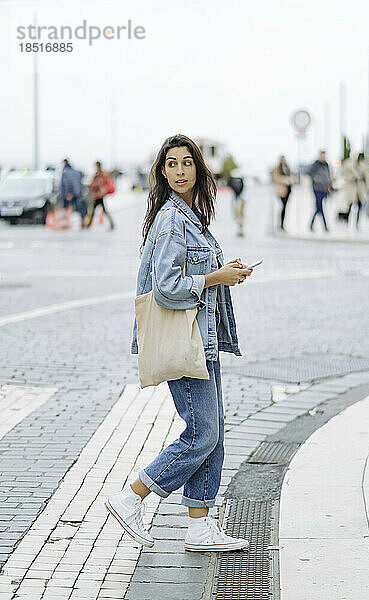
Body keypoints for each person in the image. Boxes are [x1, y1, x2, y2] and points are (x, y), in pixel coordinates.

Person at [105, 134, 253, 552]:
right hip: (184, 341)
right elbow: (167, 287)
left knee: (214, 433)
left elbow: (190, 272)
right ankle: (132, 496)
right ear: (162, 171)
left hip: (202, 338)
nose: (180, 171)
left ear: (198, 168)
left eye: (186, 163)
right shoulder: (172, 220)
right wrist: (215, 278)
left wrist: (225, 271)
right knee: (202, 433)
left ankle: (200, 528)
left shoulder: (190, 216)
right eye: (171, 164)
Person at [308, 150, 332, 232]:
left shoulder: (326, 165)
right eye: (322, 155)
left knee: (318, 208)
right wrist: (315, 178)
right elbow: (309, 173)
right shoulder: (316, 164)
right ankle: (325, 226)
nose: (323, 157)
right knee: (320, 207)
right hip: (317, 188)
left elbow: (328, 175)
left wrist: (330, 184)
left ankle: (311, 224)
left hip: (324, 189)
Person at [87, 161, 115, 230]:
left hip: (99, 196)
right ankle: (89, 225)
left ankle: (88, 225)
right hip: (99, 195)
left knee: (99, 211)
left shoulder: (100, 175)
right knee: (99, 211)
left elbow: (97, 184)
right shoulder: (99, 174)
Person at [59, 159, 85, 228]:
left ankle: (64, 223)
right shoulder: (76, 172)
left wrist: (69, 193)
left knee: (65, 208)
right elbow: (80, 183)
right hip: (77, 193)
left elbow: (67, 183)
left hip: (69, 193)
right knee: (79, 208)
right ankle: (83, 221)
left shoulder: (65, 172)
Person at [271, 155, 295, 231]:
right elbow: (275, 178)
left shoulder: (288, 168)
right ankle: (281, 224)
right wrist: (285, 180)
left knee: (285, 207)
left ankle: (282, 224)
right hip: (281, 191)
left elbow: (292, 176)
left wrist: (290, 180)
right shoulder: (277, 169)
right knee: (283, 207)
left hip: (288, 190)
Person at [228, 168, 245, 236]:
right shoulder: (240, 180)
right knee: (239, 214)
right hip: (238, 198)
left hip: (237, 198)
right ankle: (240, 227)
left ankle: (240, 227)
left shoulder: (233, 180)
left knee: (239, 213)